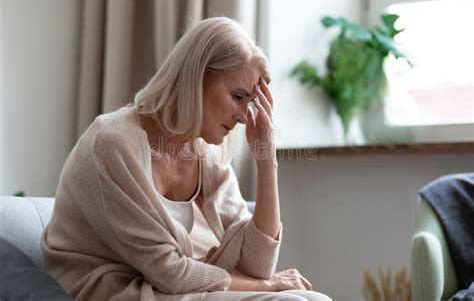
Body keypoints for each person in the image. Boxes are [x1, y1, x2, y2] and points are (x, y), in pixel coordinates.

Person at [42, 17, 331, 300]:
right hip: (118, 290)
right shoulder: (113, 142)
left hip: (175, 288)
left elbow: (257, 266)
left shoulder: (207, 154)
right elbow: (169, 273)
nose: (245, 117)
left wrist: (267, 162)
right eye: (237, 97)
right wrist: (268, 286)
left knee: (314, 299)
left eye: (251, 103)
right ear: (197, 78)